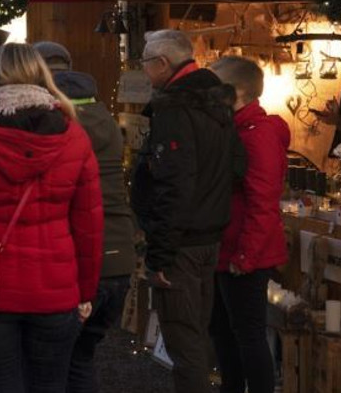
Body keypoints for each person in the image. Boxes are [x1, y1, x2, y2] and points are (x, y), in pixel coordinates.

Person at [0, 43, 104, 393]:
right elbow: (89, 227)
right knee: (51, 385)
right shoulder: (74, 137)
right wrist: (85, 292)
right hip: (57, 290)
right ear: (43, 76)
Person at [131, 30, 241, 393]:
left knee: (184, 339)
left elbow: (174, 184)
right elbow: (238, 165)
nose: (144, 70)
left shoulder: (176, 109)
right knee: (197, 331)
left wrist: (159, 255)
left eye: (145, 63)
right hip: (209, 235)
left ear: (162, 63)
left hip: (181, 242)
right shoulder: (218, 103)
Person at [31, 41, 136, 393]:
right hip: (120, 258)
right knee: (81, 358)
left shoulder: (57, 125)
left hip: (81, 261)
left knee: (51, 366)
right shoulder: (105, 117)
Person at [208, 56, 288, 393]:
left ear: (236, 91)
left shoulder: (257, 136)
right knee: (223, 331)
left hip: (244, 254)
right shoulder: (235, 130)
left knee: (248, 336)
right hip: (227, 249)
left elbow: (263, 203)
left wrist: (246, 256)